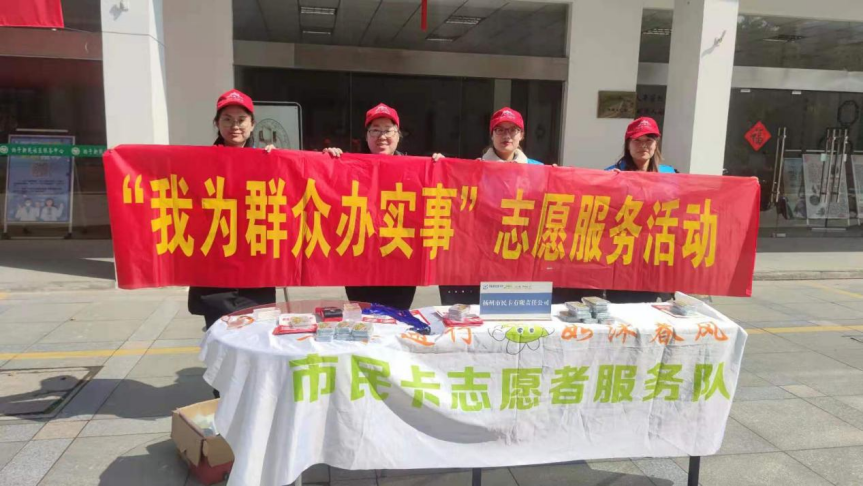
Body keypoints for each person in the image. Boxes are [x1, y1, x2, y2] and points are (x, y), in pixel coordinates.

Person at [188, 89, 277, 334]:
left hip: (256, 268)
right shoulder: (200, 162)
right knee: (220, 338)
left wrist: (278, 162)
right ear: (217, 123)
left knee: (258, 338)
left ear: (252, 124)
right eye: (227, 119)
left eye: (241, 119)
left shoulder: (268, 159)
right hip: (215, 267)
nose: (235, 126)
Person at [439, 107, 544, 306]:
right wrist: (440, 167)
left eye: (512, 130)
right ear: (492, 135)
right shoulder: (474, 168)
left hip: (522, 248)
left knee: (514, 308)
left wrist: (557, 178)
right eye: (500, 130)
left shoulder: (539, 169)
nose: (506, 135)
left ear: (521, 135)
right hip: (484, 251)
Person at [322, 103, 416, 310]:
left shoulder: (416, 169)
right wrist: (326, 162)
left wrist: (440, 168)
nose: (382, 136)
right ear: (366, 136)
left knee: (396, 320)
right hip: (360, 262)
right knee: (364, 320)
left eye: (388, 130)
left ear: (398, 135)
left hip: (399, 262)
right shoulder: (349, 166)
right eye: (375, 130)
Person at [605, 116, 675, 303]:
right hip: (622, 255)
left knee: (655, 310)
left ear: (656, 144)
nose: (643, 145)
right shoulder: (610, 175)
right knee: (623, 308)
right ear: (628, 144)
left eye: (649, 140)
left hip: (657, 255)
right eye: (637, 140)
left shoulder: (671, 175)